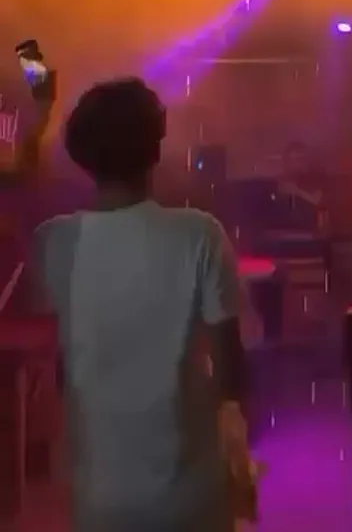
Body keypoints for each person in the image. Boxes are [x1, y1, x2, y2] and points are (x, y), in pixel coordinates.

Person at [34, 78, 249, 532]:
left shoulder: (54, 243)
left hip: (99, 500)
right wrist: (236, 446)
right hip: (192, 498)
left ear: (81, 155)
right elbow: (231, 367)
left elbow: (63, 364)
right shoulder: (200, 234)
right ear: (156, 150)